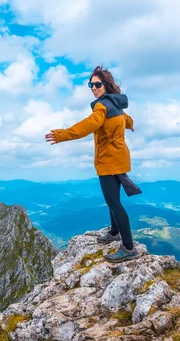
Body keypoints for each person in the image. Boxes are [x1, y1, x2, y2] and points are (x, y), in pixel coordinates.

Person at [45, 65, 140, 263]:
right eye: (91, 84)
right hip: (120, 157)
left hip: (108, 160)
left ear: (106, 85)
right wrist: (128, 127)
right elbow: (128, 121)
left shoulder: (102, 106)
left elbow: (88, 125)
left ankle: (129, 248)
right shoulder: (117, 106)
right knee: (112, 200)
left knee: (114, 203)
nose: (93, 88)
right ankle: (114, 232)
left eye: (97, 84)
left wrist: (62, 134)